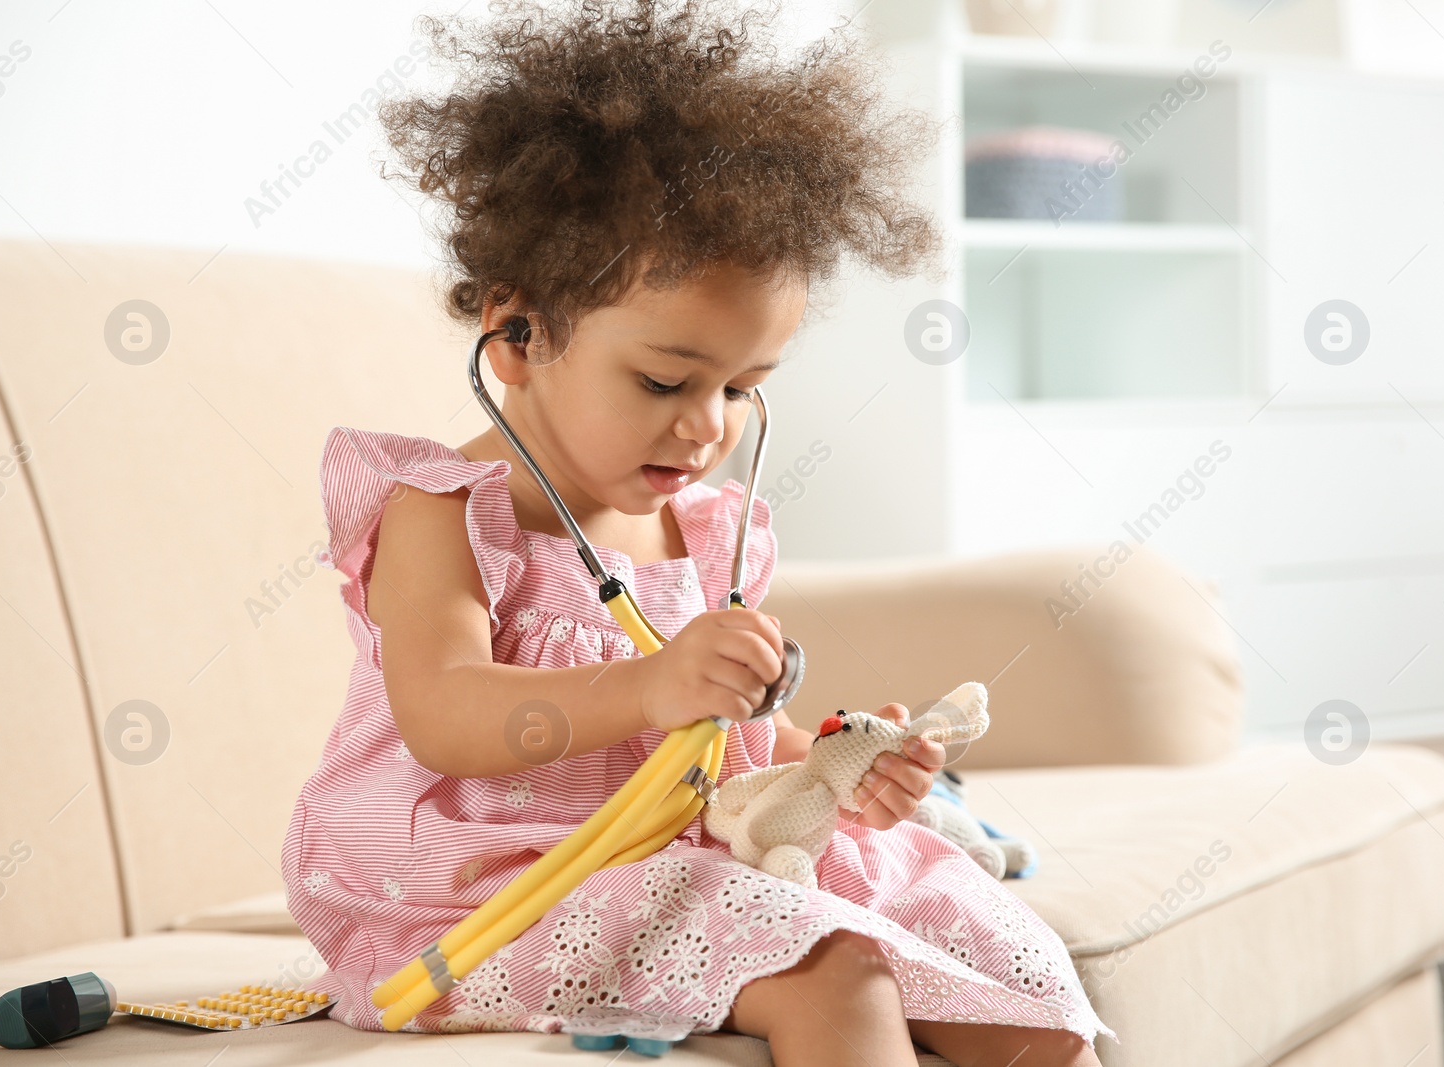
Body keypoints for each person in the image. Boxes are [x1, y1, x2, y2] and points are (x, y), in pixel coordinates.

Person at [281, 2, 1111, 1063]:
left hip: (686, 856)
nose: (706, 424)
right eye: (666, 379)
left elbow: (721, 742)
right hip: (486, 888)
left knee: (991, 956)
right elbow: (443, 713)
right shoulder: (441, 511)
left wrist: (836, 762)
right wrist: (648, 684)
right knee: (833, 968)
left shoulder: (705, 528)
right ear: (519, 333)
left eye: (743, 386)